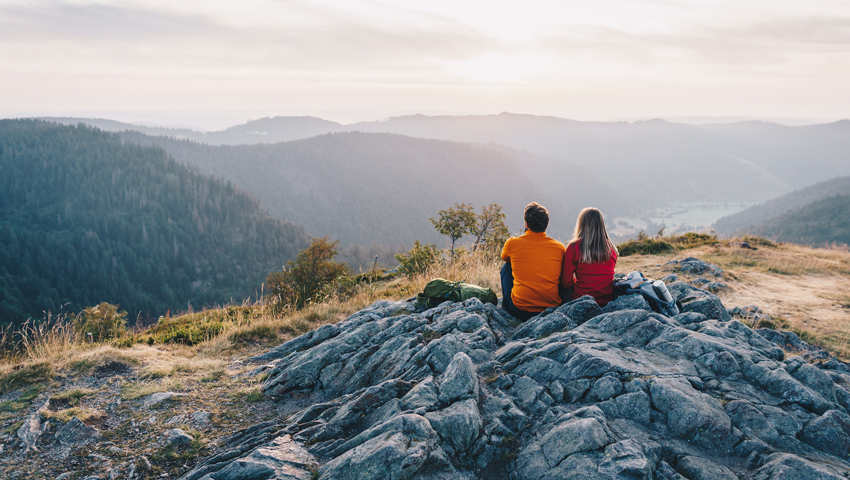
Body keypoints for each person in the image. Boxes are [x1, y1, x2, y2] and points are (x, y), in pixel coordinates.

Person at [500, 202, 565, 321]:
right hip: (551, 309)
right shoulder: (559, 248)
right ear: (546, 224)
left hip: (520, 310)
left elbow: (504, 257)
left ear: (526, 223)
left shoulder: (512, 243)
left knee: (507, 267)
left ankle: (506, 304)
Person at [561, 207, 618, 306]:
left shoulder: (574, 247)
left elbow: (566, 282)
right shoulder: (612, 249)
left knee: (560, 288)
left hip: (581, 300)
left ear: (581, 224)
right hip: (606, 301)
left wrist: (576, 282)